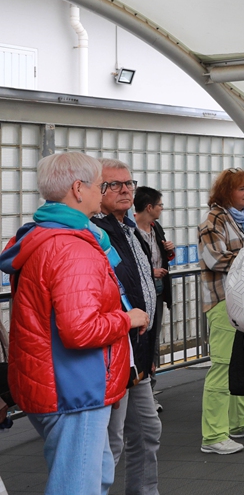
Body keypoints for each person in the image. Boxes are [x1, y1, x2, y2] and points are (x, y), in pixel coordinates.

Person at [0, 152, 148, 494]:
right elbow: (80, 329)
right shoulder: (72, 248)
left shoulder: (38, 235)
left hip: (53, 379)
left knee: (93, 475)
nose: (104, 191)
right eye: (101, 185)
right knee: (79, 484)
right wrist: (126, 318)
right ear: (78, 189)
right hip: (75, 386)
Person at [92, 159, 163, 495]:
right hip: (114, 354)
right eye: (113, 185)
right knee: (112, 442)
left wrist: (149, 352)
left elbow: (145, 290)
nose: (124, 190)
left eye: (128, 183)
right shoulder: (96, 233)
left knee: (147, 432)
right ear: (95, 190)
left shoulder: (131, 229)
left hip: (137, 354)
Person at [198, 168, 244, 455]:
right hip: (223, 301)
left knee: (242, 363)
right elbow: (215, 259)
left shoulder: (243, 219)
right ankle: (213, 435)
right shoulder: (213, 221)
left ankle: (240, 420)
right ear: (226, 192)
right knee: (222, 368)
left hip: (239, 300)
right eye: (241, 189)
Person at [133, 186, 175, 414]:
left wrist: (169, 250)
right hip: (139, 296)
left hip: (157, 293)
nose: (161, 209)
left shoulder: (155, 227)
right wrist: (151, 272)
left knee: (154, 343)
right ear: (149, 207)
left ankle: (149, 391)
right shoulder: (130, 231)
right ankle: (141, 393)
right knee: (142, 341)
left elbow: (165, 257)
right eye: (159, 205)